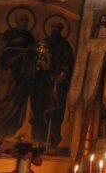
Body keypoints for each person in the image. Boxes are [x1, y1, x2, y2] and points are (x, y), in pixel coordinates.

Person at [0, 13, 37, 138]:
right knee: (0, 97)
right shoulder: (7, 35)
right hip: (6, 72)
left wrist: (29, 55)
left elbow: (33, 55)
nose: (25, 21)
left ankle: (9, 131)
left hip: (21, 75)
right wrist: (14, 55)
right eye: (22, 18)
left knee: (16, 102)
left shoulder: (29, 38)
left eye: (26, 19)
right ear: (16, 21)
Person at [30, 21, 74, 152]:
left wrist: (61, 75)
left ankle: (52, 141)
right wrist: (39, 64)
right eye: (53, 27)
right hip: (42, 83)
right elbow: (37, 59)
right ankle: (37, 139)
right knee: (38, 108)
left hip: (56, 85)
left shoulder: (65, 46)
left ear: (60, 30)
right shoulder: (44, 43)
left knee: (53, 112)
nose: (54, 30)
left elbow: (68, 64)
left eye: (57, 28)